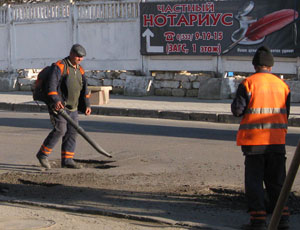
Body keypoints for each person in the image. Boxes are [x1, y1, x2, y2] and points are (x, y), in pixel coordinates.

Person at [231, 46, 290, 230]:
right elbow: (285, 113)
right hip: (277, 142)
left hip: (254, 142)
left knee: (254, 182)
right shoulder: (283, 86)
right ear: (270, 67)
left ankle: (258, 221)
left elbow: (237, 111)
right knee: (277, 182)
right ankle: (282, 219)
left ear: (255, 66)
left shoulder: (248, 83)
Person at [36, 44, 91, 169]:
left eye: (82, 57)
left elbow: (85, 89)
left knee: (72, 132)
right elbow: (51, 86)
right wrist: (55, 100)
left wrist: (87, 105)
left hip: (73, 107)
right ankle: (42, 154)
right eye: (78, 56)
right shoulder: (59, 66)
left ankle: (67, 160)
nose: (80, 59)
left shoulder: (80, 69)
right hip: (60, 106)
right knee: (61, 130)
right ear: (71, 54)